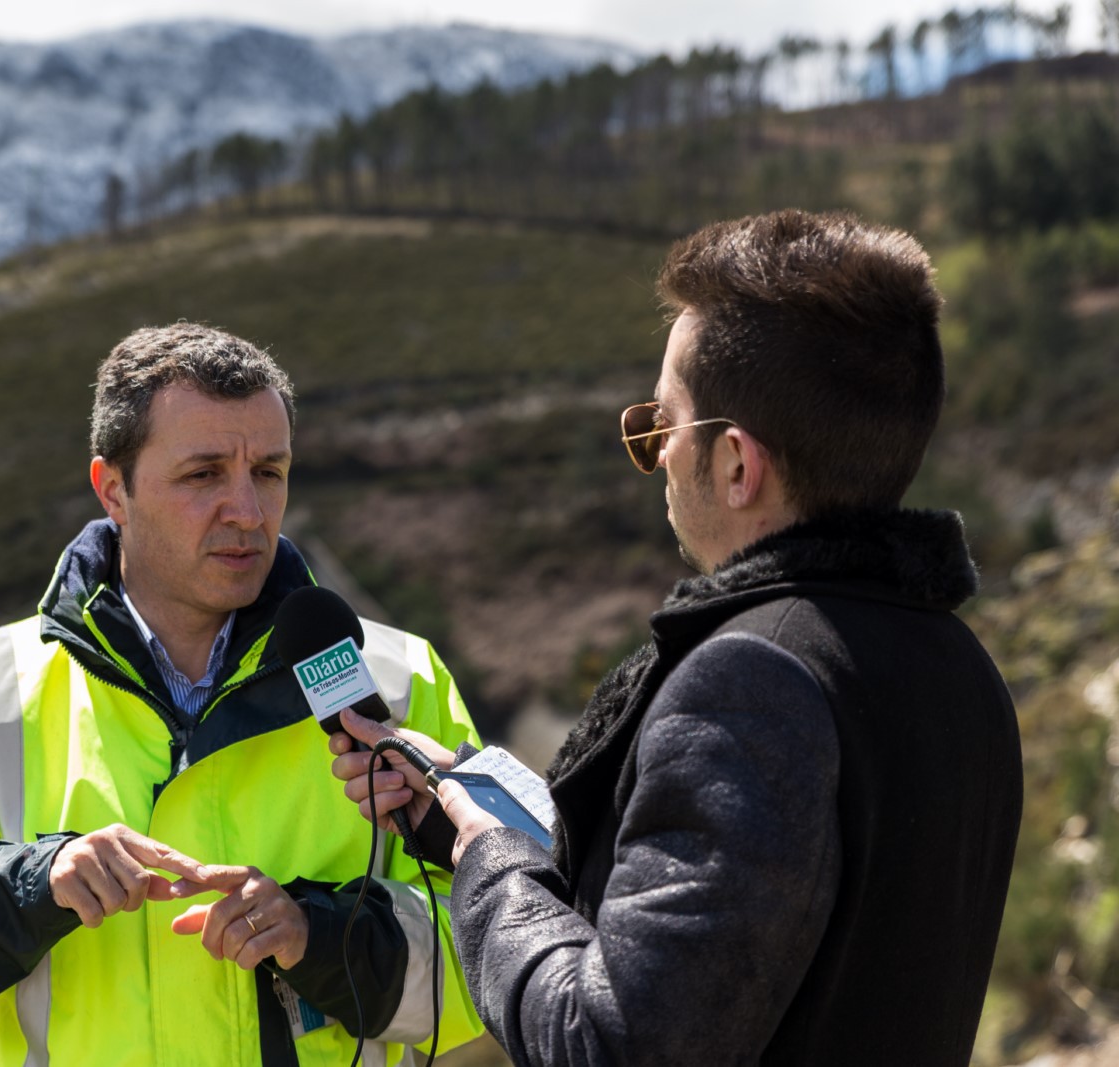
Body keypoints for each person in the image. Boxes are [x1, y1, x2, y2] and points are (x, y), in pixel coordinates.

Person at [332, 210, 1023, 1065]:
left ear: (736, 463)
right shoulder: (961, 667)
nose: (654, 456)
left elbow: (613, 1042)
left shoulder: (750, 683)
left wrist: (488, 863)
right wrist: (461, 820)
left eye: (661, 425)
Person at [0, 323, 485, 1066]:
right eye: (203, 475)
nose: (248, 512)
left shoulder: (397, 678)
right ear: (113, 489)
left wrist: (319, 938)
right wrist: (31, 886)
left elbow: (502, 947)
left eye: (269, 471)